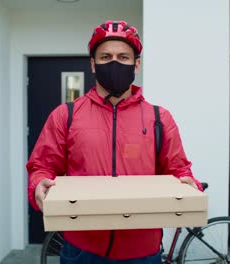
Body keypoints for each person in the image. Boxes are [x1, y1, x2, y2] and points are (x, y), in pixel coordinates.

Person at [27, 20, 202, 264]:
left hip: (142, 251)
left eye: (123, 56)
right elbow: (42, 167)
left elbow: (179, 170)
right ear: (93, 64)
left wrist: (189, 184)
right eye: (106, 56)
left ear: (137, 64)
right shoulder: (65, 116)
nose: (114, 63)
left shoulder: (159, 118)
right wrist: (38, 184)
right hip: (81, 249)